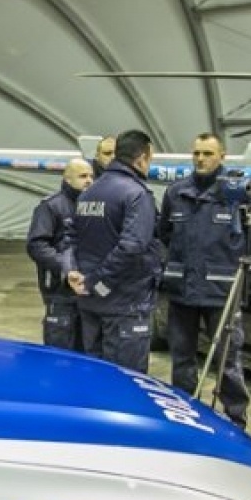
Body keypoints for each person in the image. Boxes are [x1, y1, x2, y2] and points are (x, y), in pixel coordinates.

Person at [157, 133, 251, 427]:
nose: (200, 159)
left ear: (222, 155)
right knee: (182, 359)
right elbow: (164, 234)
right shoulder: (176, 193)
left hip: (221, 293)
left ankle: (235, 420)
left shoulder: (239, 193)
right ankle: (185, 416)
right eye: (196, 153)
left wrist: (234, 257)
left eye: (207, 153)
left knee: (227, 361)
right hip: (182, 291)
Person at [67, 130, 160, 372]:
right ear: (142, 158)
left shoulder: (89, 193)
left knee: (95, 377)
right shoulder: (137, 195)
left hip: (90, 303)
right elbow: (132, 247)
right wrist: (99, 281)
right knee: (126, 384)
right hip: (125, 306)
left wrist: (82, 277)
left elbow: (74, 239)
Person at [25, 158, 93, 350]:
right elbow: (37, 245)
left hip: (88, 292)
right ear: (68, 179)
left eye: (91, 176)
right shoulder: (51, 207)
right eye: (82, 176)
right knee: (61, 349)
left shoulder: (95, 207)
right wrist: (66, 268)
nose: (88, 180)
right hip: (60, 293)